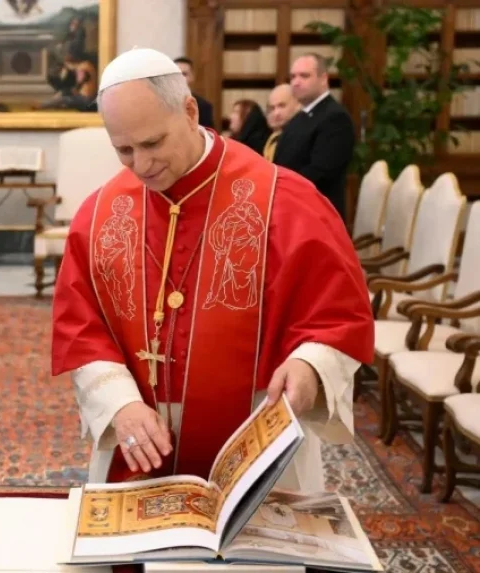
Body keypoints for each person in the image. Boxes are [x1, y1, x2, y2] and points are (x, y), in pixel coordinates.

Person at [51, 48, 373, 493]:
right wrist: (119, 403)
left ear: (188, 112)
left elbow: (337, 316)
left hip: (256, 436)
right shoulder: (101, 214)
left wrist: (309, 367)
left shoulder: (284, 202)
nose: (141, 166)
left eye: (152, 143)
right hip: (140, 444)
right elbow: (80, 328)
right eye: (123, 150)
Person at [273, 53, 355, 221]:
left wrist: (279, 188)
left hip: (316, 216)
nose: (296, 82)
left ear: (323, 78)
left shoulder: (335, 118)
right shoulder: (301, 116)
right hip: (293, 208)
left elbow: (320, 172)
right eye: (293, 76)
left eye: (304, 76)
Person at [173, 57, 214, 129]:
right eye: (176, 74)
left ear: (192, 77)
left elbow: (207, 136)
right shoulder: (161, 102)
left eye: (184, 74)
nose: (180, 78)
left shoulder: (204, 106)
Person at [263, 84, 300, 161]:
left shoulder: (301, 137)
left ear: (298, 105)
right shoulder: (272, 137)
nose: (276, 113)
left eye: (282, 106)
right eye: (272, 108)